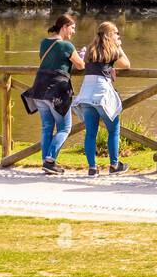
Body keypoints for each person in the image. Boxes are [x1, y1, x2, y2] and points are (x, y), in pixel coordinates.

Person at [28, 13, 85, 175]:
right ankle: (50, 160)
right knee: (65, 128)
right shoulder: (67, 46)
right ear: (64, 27)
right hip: (57, 92)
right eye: (72, 28)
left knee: (47, 127)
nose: (73, 32)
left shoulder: (43, 43)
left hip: (39, 89)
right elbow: (80, 66)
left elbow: (48, 61)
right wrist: (82, 56)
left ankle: (46, 162)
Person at [73, 21, 131, 176]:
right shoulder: (112, 49)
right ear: (110, 34)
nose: (119, 35)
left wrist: (110, 67)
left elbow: (96, 66)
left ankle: (92, 168)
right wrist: (119, 46)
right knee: (114, 129)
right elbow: (126, 64)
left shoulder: (90, 49)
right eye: (116, 33)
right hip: (102, 93)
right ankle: (114, 165)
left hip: (86, 93)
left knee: (90, 133)